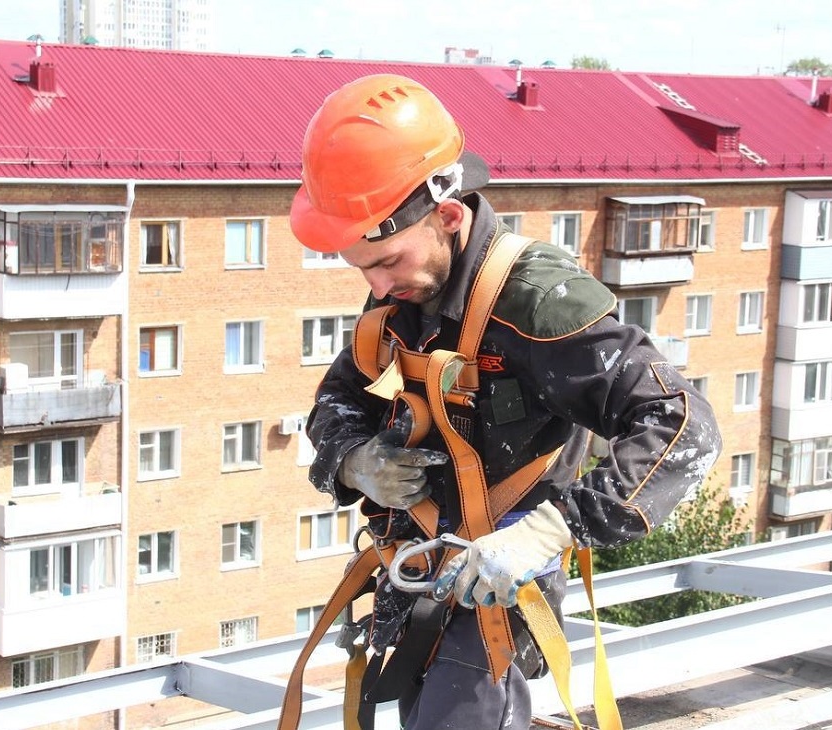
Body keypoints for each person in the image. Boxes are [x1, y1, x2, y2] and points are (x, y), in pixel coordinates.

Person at [289, 73, 722, 730]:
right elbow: (336, 405)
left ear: (448, 216)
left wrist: (551, 531)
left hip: (499, 586)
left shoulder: (537, 302)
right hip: (416, 574)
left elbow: (684, 427)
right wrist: (355, 461)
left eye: (387, 262)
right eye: (363, 268)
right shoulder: (404, 293)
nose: (376, 283)